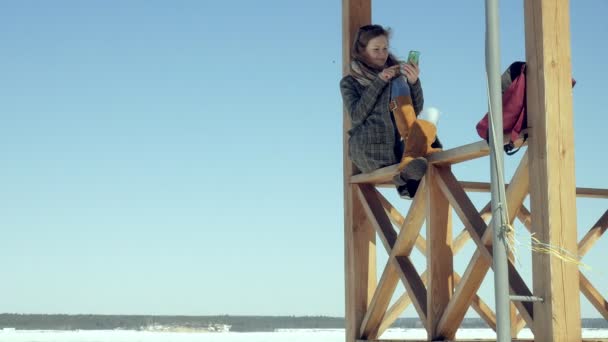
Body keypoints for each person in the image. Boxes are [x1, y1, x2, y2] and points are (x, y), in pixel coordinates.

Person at [340, 24, 442, 199]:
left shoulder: (396, 74)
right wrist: (379, 81)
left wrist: (413, 82)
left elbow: (414, 109)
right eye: (376, 49)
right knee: (428, 139)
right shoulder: (350, 82)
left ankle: (409, 183)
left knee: (432, 143)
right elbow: (356, 115)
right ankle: (407, 183)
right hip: (371, 150)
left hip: (399, 145)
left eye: (385, 48)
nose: (382, 54)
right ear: (362, 51)